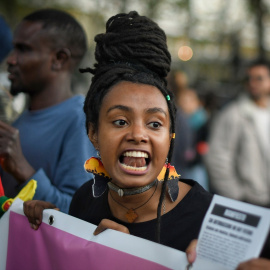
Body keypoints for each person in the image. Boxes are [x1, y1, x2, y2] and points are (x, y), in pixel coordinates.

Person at [23, 11, 269, 267]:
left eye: (154, 124)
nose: (138, 135)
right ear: (93, 133)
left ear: (171, 135)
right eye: (120, 121)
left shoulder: (211, 221)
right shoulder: (84, 202)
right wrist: (52, 233)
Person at [0, 9, 96, 213]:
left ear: (59, 59)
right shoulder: (19, 121)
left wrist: (22, 170)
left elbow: (79, 213)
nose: (11, 60)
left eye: (23, 49)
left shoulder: (80, 120)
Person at [205, 59, 270, 207]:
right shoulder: (233, 114)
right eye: (249, 79)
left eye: (259, 78)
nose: (252, 83)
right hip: (250, 202)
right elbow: (217, 158)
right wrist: (237, 197)